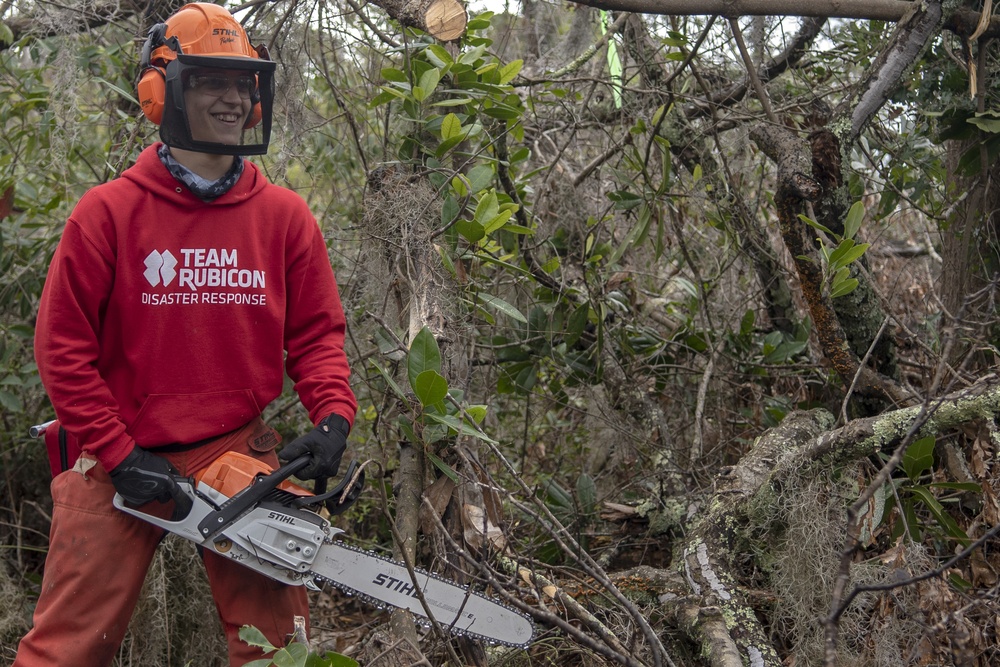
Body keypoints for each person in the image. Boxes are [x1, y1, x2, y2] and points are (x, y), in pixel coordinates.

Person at [13, 3, 357, 665]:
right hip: (115, 445)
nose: (232, 99)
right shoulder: (107, 213)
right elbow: (62, 351)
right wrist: (119, 454)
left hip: (234, 446)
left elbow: (316, 334)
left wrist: (333, 417)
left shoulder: (283, 216)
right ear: (160, 91)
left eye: (242, 83)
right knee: (66, 646)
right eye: (211, 82)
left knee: (278, 644)